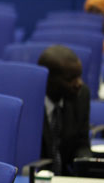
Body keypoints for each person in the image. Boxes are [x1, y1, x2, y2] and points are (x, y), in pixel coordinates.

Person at [38, 45, 92, 175]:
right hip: (35, 176)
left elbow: (82, 143)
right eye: (70, 79)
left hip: (67, 177)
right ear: (48, 79)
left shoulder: (81, 95)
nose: (79, 83)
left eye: (79, 76)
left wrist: (85, 161)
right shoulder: (28, 103)